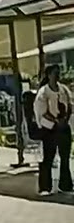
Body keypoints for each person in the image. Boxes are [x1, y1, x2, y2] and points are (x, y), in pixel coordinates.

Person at [34, 64, 72, 196]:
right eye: (55, 73)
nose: (57, 76)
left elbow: (70, 105)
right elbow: (41, 111)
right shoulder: (43, 92)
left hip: (63, 127)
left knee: (65, 158)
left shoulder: (64, 90)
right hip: (49, 129)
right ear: (49, 75)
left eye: (58, 73)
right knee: (48, 158)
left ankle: (65, 185)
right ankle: (45, 187)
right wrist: (55, 121)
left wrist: (65, 119)